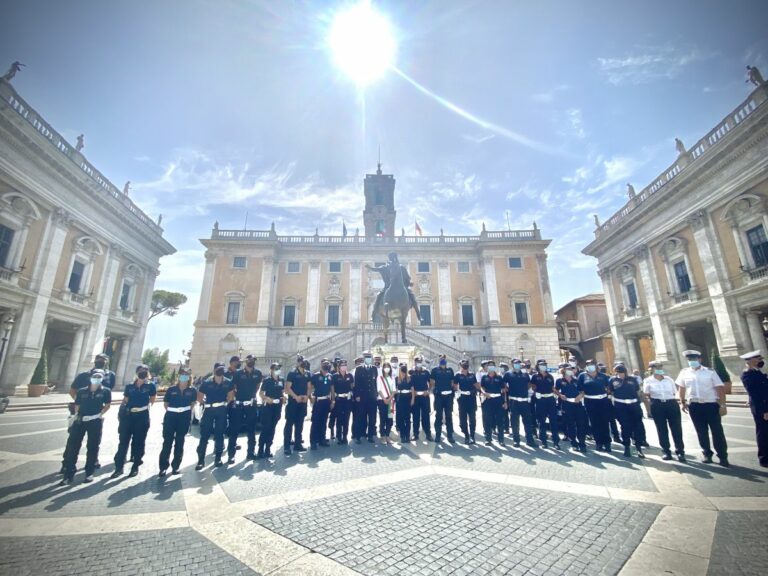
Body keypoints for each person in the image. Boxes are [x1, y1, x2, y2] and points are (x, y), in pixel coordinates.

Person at [676, 350, 728, 466]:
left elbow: (720, 388)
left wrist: (723, 405)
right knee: (701, 432)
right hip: (694, 406)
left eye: (694, 359)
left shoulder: (710, 372)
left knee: (717, 431)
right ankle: (707, 454)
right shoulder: (684, 373)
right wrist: (682, 402)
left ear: (700, 359)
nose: (691, 362)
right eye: (689, 360)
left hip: (711, 405)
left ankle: (723, 456)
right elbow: (682, 388)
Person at [60, 369, 111, 485]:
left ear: (102, 379)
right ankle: (68, 474)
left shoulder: (105, 391)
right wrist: (77, 416)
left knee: (93, 447)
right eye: (95, 376)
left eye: (99, 377)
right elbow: (77, 405)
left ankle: (89, 473)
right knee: (73, 447)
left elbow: (107, 405)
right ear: (91, 378)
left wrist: (99, 415)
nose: (97, 379)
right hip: (81, 421)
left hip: (95, 421)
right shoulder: (82, 391)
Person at [112, 364, 156, 478]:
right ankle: (119, 467)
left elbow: (152, 400)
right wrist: (121, 412)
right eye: (141, 371)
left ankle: (135, 466)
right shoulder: (130, 386)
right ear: (137, 372)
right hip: (128, 416)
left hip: (142, 416)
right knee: (123, 442)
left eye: (145, 371)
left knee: (138, 442)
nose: (143, 373)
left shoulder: (151, 386)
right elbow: (125, 400)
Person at [642, 360, 685, 462]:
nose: (659, 369)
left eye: (660, 367)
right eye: (656, 367)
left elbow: (674, 392)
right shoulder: (648, 380)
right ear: (651, 369)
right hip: (657, 404)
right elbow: (646, 393)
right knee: (661, 429)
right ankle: (666, 451)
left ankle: (680, 451)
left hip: (671, 404)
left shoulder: (669, 379)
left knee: (677, 429)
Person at [158, 367, 197, 477]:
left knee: (180, 442)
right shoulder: (171, 389)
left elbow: (193, 403)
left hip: (184, 417)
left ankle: (176, 466)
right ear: (179, 376)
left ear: (189, 377)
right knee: (167, 442)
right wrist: (174, 411)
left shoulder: (192, 390)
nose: (184, 376)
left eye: (186, 374)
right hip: (171, 417)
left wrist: (184, 412)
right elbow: (166, 404)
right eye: (182, 374)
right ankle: (163, 467)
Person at [195, 362, 234, 469]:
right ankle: (201, 460)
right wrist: (205, 404)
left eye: (222, 368)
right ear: (214, 369)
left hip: (221, 410)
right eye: (218, 368)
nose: (220, 370)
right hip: (209, 410)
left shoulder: (228, 382)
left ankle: (218, 458)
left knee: (219, 435)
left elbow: (231, 396)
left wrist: (225, 403)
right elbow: (199, 396)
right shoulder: (206, 382)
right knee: (205, 435)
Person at [227, 354, 263, 463]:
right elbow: (232, 388)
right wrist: (231, 402)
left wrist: (252, 396)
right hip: (238, 405)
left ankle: (251, 453)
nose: (252, 361)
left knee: (251, 430)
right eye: (250, 359)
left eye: (254, 359)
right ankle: (231, 455)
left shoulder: (258, 373)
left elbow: (257, 386)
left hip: (251, 405)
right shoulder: (238, 373)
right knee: (234, 429)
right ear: (246, 360)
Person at [610, 364, 646, 458]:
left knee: (637, 426)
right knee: (625, 427)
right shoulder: (613, 380)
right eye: (618, 372)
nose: (620, 374)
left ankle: (639, 448)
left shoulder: (632, 379)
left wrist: (639, 402)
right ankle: (626, 447)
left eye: (622, 372)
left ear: (625, 372)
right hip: (621, 406)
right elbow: (611, 392)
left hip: (634, 405)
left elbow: (638, 391)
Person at [740, 351, 768, 467]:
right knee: (763, 433)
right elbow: (755, 394)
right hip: (761, 408)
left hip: (765, 405)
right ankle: (764, 459)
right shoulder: (747, 375)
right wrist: (765, 410)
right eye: (757, 359)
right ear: (750, 361)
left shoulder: (757, 372)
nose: (760, 361)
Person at [578, 360, 612, 452]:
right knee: (594, 423)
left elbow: (609, 388)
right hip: (590, 401)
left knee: (604, 422)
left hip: (603, 401)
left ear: (596, 366)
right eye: (588, 365)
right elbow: (580, 389)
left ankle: (607, 443)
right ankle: (599, 443)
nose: (590, 366)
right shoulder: (582, 376)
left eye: (592, 364)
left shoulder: (603, 376)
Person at [504, 358, 535, 447]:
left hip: (524, 401)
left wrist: (525, 390)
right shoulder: (508, 374)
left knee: (527, 421)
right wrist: (508, 389)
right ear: (512, 364)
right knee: (514, 422)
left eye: (518, 363)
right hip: (514, 401)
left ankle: (529, 440)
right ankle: (516, 440)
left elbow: (529, 384)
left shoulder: (525, 374)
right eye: (515, 363)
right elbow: (503, 384)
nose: (517, 364)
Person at [556, 364, 587, 452]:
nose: (570, 370)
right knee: (570, 424)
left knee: (580, 424)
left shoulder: (576, 380)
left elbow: (583, 391)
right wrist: (560, 395)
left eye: (571, 369)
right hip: (567, 404)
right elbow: (555, 389)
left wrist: (580, 396)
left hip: (577, 404)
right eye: (568, 369)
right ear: (564, 371)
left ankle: (582, 443)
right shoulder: (559, 381)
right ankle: (574, 443)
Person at [284, 355, 311, 455]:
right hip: (293, 403)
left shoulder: (308, 374)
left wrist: (307, 396)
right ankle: (287, 446)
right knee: (289, 424)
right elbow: (287, 388)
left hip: (303, 403)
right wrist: (296, 397)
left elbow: (309, 387)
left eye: (303, 361)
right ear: (298, 362)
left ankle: (298, 444)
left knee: (300, 425)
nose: (303, 363)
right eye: (301, 361)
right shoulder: (292, 373)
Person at [257, 362, 284, 459]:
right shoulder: (267, 380)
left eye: (279, 368)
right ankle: (260, 449)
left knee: (272, 428)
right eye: (276, 368)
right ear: (271, 370)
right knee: (266, 428)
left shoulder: (281, 380)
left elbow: (282, 392)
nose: (278, 370)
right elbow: (261, 393)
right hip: (268, 407)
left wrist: (283, 398)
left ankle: (268, 448)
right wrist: (267, 398)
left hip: (277, 407)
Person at [530, 359, 559, 449]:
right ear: (538, 367)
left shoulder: (550, 376)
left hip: (550, 399)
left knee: (553, 421)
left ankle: (556, 442)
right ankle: (544, 442)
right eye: (541, 365)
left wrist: (559, 395)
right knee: (541, 421)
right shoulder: (535, 376)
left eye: (545, 365)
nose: (543, 366)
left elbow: (552, 387)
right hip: (540, 399)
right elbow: (532, 386)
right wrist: (535, 393)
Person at [353, 350, 378, 443]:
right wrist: (357, 395)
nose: (368, 359)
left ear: (371, 359)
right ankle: (359, 435)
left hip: (372, 397)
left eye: (369, 357)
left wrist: (376, 395)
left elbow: (375, 383)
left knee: (372, 417)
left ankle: (370, 435)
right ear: (364, 359)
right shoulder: (359, 369)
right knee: (361, 417)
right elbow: (357, 383)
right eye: (366, 357)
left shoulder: (374, 368)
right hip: (362, 397)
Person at [309, 359, 334, 449]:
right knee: (316, 422)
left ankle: (322, 439)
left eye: (328, 364)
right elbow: (310, 387)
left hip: (326, 401)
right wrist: (310, 398)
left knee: (324, 422)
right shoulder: (315, 376)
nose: (326, 365)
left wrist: (333, 401)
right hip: (318, 402)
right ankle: (313, 442)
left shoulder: (330, 376)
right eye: (325, 364)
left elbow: (332, 389)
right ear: (321, 365)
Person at [430, 355, 456, 444]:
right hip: (439, 396)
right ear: (439, 360)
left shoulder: (450, 370)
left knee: (449, 416)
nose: (442, 360)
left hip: (448, 396)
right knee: (438, 416)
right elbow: (432, 382)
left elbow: (452, 382)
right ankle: (438, 435)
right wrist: (435, 389)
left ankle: (450, 435)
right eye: (441, 359)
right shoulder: (435, 370)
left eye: (444, 359)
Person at [454, 359, 479, 444]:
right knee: (462, 420)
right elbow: (454, 386)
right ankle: (466, 435)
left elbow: (476, 386)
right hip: (462, 399)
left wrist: (474, 390)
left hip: (471, 399)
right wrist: (457, 392)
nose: (465, 367)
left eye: (466, 365)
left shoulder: (472, 375)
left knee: (472, 418)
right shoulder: (457, 375)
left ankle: (472, 436)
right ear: (460, 366)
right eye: (463, 365)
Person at [480, 363, 506, 446]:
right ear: (487, 368)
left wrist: (505, 401)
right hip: (488, 399)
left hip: (498, 400)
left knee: (499, 420)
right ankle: (488, 439)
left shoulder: (499, 377)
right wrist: (484, 393)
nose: (490, 368)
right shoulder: (484, 377)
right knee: (488, 420)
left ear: (494, 368)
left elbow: (504, 389)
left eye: (492, 366)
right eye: (489, 366)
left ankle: (501, 440)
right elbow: (482, 387)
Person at [410, 355, 432, 441]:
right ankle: (415, 434)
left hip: (424, 396)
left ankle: (428, 434)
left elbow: (431, 383)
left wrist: (429, 391)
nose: (418, 363)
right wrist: (412, 392)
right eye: (417, 361)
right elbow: (410, 384)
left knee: (426, 416)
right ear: (414, 362)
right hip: (415, 397)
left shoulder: (426, 372)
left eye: (420, 361)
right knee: (415, 416)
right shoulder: (411, 372)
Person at [332, 359, 354, 444]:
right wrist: (333, 400)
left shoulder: (350, 375)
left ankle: (345, 436)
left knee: (346, 419)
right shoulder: (335, 376)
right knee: (339, 419)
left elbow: (352, 387)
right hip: (338, 400)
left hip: (347, 400)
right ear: (339, 366)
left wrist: (351, 394)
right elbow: (332, 390)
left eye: (345, 365)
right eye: (342, 365)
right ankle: (339, 436)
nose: (344, 366)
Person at [377, 361, 396, 444]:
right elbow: (379, 390)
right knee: (382, 419)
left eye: (388, 367)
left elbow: (394, 390)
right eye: (385, 367)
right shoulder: (379, 378)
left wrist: (389, 399)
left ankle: (388, 436)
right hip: (382, 401)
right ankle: (382, 436)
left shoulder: (392, 378)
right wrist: (385, 399)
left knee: (390, 419)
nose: (386, 368)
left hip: (390, 402)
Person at [395, 362, 414, 443]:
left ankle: (407, 436)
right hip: (400, 400)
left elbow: (412, 389)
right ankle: (402, 436)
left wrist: (413, 399)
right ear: (399, 371)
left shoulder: (409, 378)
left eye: (404, 371)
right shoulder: (397, 379)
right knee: (401, 419)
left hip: (407, 399)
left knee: (408, 418)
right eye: (402, 371)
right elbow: (394, 390)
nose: (403, 372)